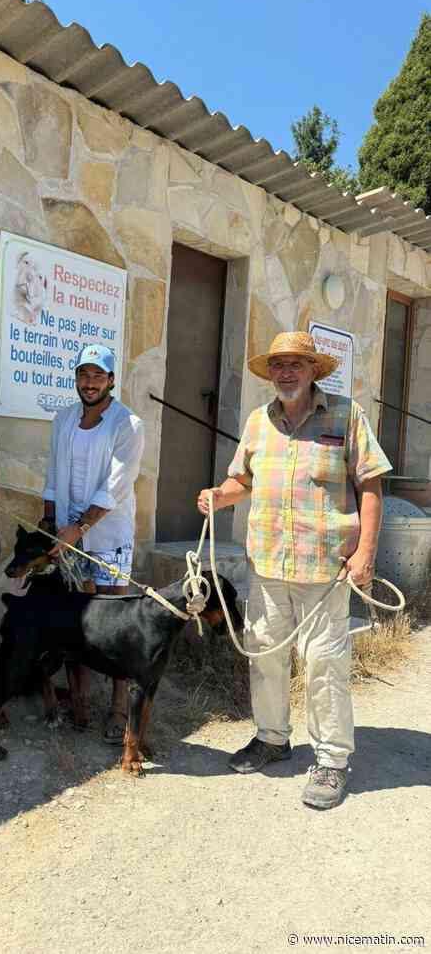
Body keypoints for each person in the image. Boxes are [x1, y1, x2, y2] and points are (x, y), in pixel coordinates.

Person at [197, 331, 391, 809]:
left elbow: (370, 487)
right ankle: (272, 737)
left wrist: (365, 551)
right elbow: (241, 479)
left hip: (326, 569)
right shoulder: (259, 421)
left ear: (313, 371)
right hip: (267, 562)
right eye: (278, 365)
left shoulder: (347, 415)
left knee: (325, 664)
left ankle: (331, 760)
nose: (286, 373)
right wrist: (220, 496)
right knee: (264, 655)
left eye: (295, 365)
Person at [42, 343, 145, 743]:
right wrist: (51, 521)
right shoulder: (64, 418)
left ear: (111, 380)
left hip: (108, 537)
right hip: (69, 539)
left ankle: (119, 709)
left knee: (115, 623)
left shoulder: (128, 424)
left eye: (97, 375)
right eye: (84, 375)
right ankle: (80, 702)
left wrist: (77, 529)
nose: (89, 383)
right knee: (77, 620)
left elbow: (115, 486)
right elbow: (53, 476)